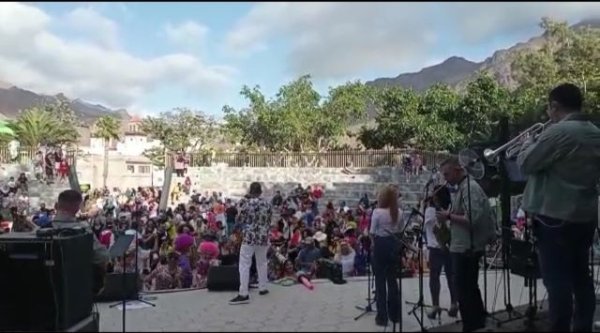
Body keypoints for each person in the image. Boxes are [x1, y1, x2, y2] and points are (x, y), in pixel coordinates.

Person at [516, 83, 600, 332]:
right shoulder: (595, 132)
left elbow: (525, 164)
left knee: (557, 283)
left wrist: (526, 142)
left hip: (554, 217)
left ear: (555, 106)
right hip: (584, 217)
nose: (548, 114)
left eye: (549, 108)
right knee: (581, 277)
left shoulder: (558, 132)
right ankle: (582, 326)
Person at [437, 158, 496, 332]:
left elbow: (472, 219)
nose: (445, 178)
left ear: (457, 170)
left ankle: (472, 324)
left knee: (464, 289)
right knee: (468, 287)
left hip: (466, 248)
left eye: (447, 174)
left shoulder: (470, 188)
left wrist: (448, 217)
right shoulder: (464, 188)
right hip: (462, 245)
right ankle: (476, 322)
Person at [53, 190, 110, 294]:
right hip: (79, 287)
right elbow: (101, 257)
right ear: (77, 208)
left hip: (52, 286)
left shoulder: (44, 229)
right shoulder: (83, 229)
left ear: (57, 205)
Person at [229, 182, 272, 305]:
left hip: (249, 236)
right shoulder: (267, 204)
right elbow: (269, 221)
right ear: (260, 192)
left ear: (250, 191)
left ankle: (243, 293)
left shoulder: (246, 204)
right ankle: (263, 287)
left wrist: (235, 231)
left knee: (244, 263)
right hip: (263, 237)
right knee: (262, 262)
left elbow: (240, 219)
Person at [369, 185, 403, 327]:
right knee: (392, 281)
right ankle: (395, 315)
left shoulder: (377, 212)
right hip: (394, 244)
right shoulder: (399, 212)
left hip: (381, 245)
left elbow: (372, 232)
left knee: (380, 283)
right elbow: (400, 230)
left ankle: (382, 317)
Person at [423, 185, 458, 319]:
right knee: (451, 276)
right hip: (449, 246)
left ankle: (435, 306)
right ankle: (454, 304)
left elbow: (426, 226)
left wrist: (423, 205)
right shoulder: (450, 209)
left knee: (434, 277)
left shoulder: (430, 211)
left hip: (435, 247)